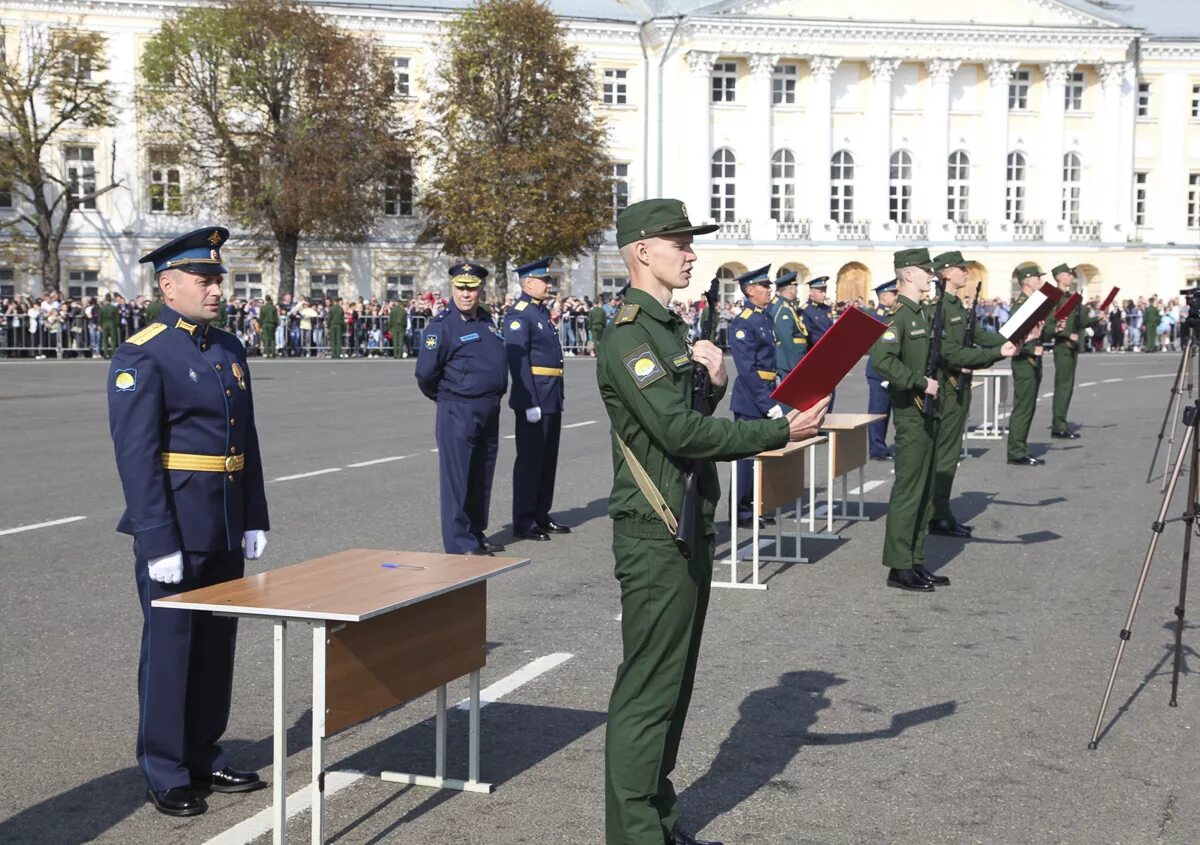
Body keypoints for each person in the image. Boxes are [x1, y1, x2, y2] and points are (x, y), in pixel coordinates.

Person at [598, 198, 829, 845]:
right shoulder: (628, 333)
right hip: (653, 530)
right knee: (648, 690)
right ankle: (634, 833)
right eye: (679, 242)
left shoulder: (668, 329)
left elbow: (684, 412)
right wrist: (778, 429)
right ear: (642, 250)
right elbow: (676, 429)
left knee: (673, 687)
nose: (691, 253)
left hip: (687, 524)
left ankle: (659, 819)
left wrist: (719, 379)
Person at [107, 227, 270, 818]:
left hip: (223, 518)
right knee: (172, 646)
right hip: (175, 521)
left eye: (218, 279)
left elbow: (244, 437)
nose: (216, 289)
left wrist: (254, 512)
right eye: (204, 280)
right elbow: (136, 453)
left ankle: (203, 751)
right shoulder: (143, 353)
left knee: (215, 645)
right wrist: (156, 537)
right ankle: (165, 767)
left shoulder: (228, 347)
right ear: (168, 285)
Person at [869, 248, 949, 592]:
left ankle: (915, 560)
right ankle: (899, 566)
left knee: (925, 489)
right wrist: (919, 383)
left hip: (929, 410)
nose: (931, 276)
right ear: (908, 274)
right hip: (911, 411)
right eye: (925, 271)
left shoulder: (922, 314)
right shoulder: (898, 315)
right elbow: (882, 360)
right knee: (909, 490)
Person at [415, 262, 508, 556]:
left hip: (489, 407)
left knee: (481, 474)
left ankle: (475, 531)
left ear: (481, 289)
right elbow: (425, 374)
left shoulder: (486, 320)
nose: (466, 294)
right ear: (453, 288)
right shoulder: (442, 326)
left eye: (472, 288)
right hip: (458, 408)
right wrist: (448, 397)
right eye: (461, 288)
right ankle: (459, 542)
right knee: (457, 478)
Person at [928, 251, 1016, 537]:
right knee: (943, 454)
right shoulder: (938, 306)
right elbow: (949, 351)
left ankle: (941, 511)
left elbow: (976, 334)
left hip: (959, 385)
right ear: (946, 272)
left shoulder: (956, 305)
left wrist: (1013, 340)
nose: (966, 273)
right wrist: (995, 353)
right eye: (961, 269)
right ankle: (937, 514)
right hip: (948, 385)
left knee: (950, 453)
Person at [505, 256, 570, 541]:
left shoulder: (540, 312)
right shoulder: (520, 314)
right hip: (535, 397)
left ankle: (541, 513)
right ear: (528, 283)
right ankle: (524, 519)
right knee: (531, 461)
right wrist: (529, 400)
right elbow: (518, 363)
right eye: (544, 280)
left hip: (551, 394)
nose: (549, 284)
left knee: (547, 460)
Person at [728, 265, 782, 528]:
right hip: (752, 398)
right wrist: (765, 402)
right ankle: (741, 510)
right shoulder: (743, 323)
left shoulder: (764, 317)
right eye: (764, 286)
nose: (769, 290)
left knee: (765, 455)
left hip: (768, 392)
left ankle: (758, 505)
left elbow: (771, 364)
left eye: (769, 286)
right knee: (746, 459)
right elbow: (748, 370)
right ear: (750, 290)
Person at [1007, 265, 1053, 465]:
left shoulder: (1034, 303)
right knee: (1023, 407)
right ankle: (1016, 451)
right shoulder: (1020, 305)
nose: (1040, 282)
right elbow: (1012, 338)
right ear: (1026, 281)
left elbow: (1040, 331)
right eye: (1037, 278)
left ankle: (1021, 447)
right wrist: (1029, 350)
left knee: (1029, 406)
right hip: (1024, 361)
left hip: (1034, 360)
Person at [1049, 263, 1100, 438]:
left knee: (1068, 386)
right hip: (1063, 346)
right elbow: (1049, 324)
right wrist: (1066, 334)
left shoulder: (1073, 298)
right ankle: (1059, 425)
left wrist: (1097, 317)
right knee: (1063, 386)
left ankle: (1060, 421)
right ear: (1058, 277)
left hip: (1073, 347)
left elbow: (1081, 322)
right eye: (1068, 274)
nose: (1071, 277)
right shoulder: (1053, 297)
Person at [864, 279, 897, 460]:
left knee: (886, 411)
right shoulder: (877, 317)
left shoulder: (892, 315)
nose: (896, 296)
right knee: (878, 411)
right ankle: (876, 448)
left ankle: (881, 445)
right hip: (879, 372)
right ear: (884, 296)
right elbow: (876, 347)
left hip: (890, 371)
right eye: (894, 294)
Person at [767, 269, 807, 380]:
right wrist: (795, 365)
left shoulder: (787, 306)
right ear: (790, 291)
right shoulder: (783, 309)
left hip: (792, 359)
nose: (797, 291)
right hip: (788, 361)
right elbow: (786, 339)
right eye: (795, 289)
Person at [99, 293, 118, 358]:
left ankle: (106, 353)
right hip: (112, 324)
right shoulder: (114, 308)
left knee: (105, 340)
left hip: (104, 324)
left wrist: (99, 325)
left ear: (105, 300)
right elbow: (117, 318)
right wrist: (117, 325)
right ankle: (113, 353)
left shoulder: (102, 308)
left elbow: (100, 318)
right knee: (113, 339)